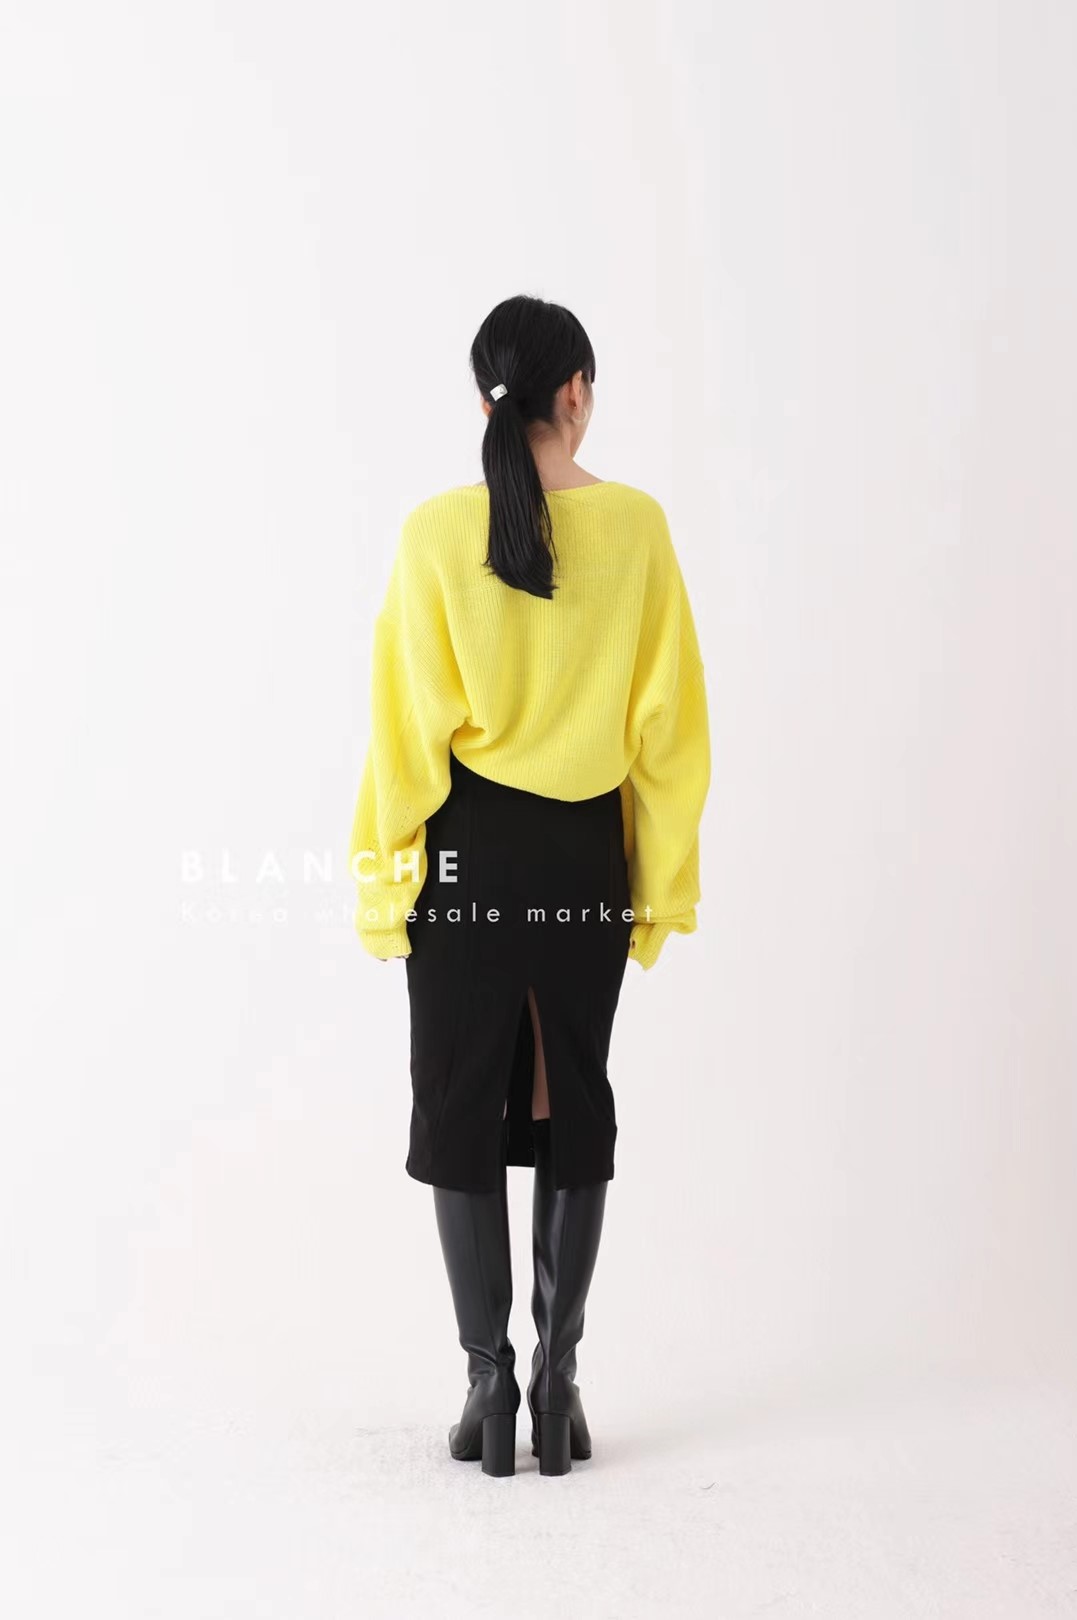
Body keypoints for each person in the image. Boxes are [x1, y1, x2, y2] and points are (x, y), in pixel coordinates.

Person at [347, 294, 711, 1476]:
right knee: (571, 1103)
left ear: (485, 402)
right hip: (582, 858)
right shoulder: (639, 530)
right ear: (577, 393)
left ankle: (489, 1386)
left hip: (468, 857)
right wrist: (659, 885)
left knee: (457, 1104)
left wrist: (384, 882)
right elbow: (669, 736)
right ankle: (558, 1383)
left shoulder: (433, 534)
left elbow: (403, 738)